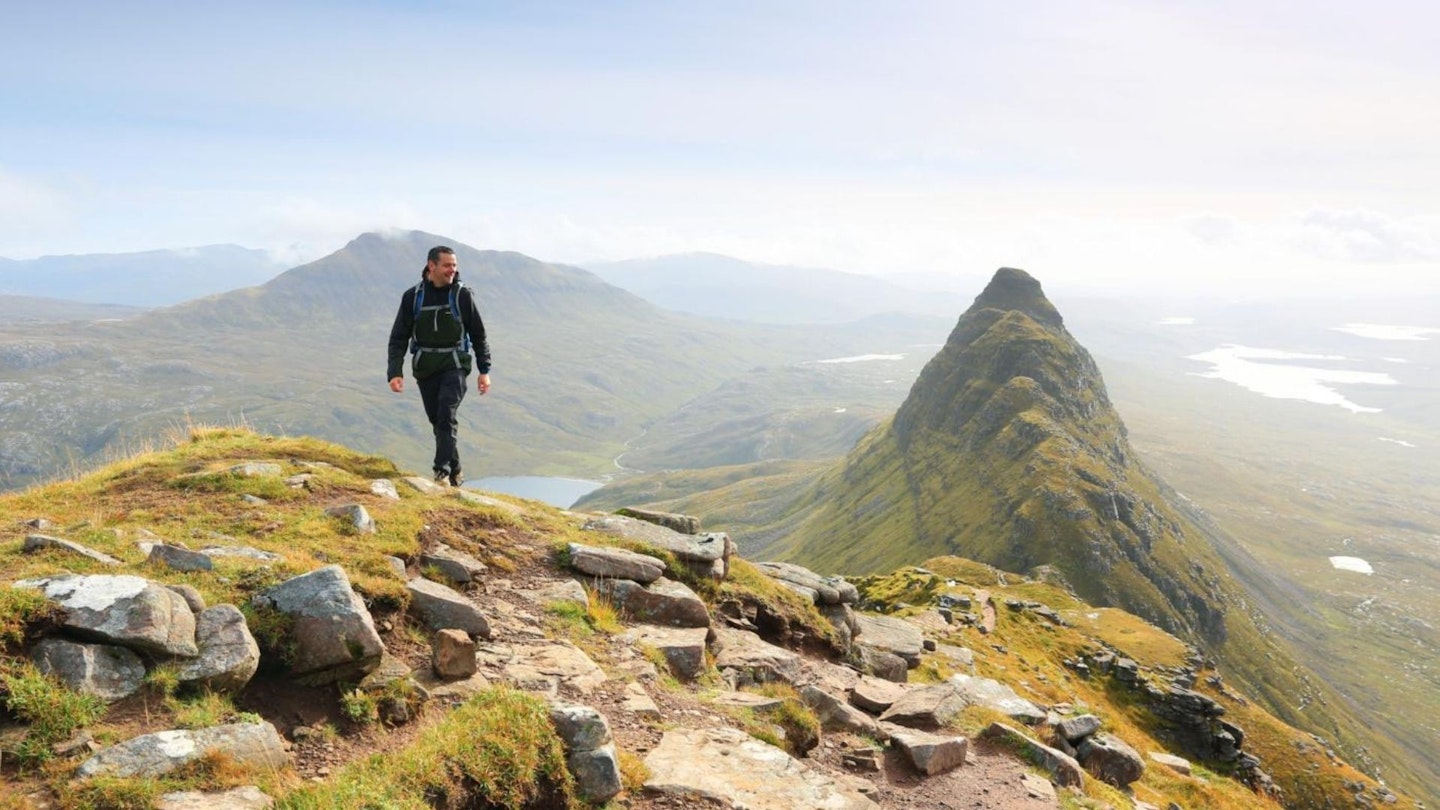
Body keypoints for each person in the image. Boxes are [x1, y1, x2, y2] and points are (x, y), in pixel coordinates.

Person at [387, 246, 492, 486]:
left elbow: (479, 334)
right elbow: (399, 337)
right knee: (438, 420)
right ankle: (455, 468)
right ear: (431, 266)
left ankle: (441, 472)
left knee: (446, 412)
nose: (452, 270)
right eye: (447, 265)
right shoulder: (412, 297)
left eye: (454, 265)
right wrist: (395, 371)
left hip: (455, 363)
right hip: (426, 367)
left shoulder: (462, 295)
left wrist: (484, 371)